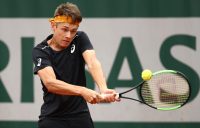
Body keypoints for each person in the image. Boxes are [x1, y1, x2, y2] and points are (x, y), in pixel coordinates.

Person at [32, 2, 118, 128]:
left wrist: (103, 88)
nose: (69, 36)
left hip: (80, 117)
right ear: (53, 25)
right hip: (52, 119)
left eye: (73, 31)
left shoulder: (80, 38)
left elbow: (92, 62)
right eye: (65, 29)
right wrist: (82, 90)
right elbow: (50, 83)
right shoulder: (40, 51)